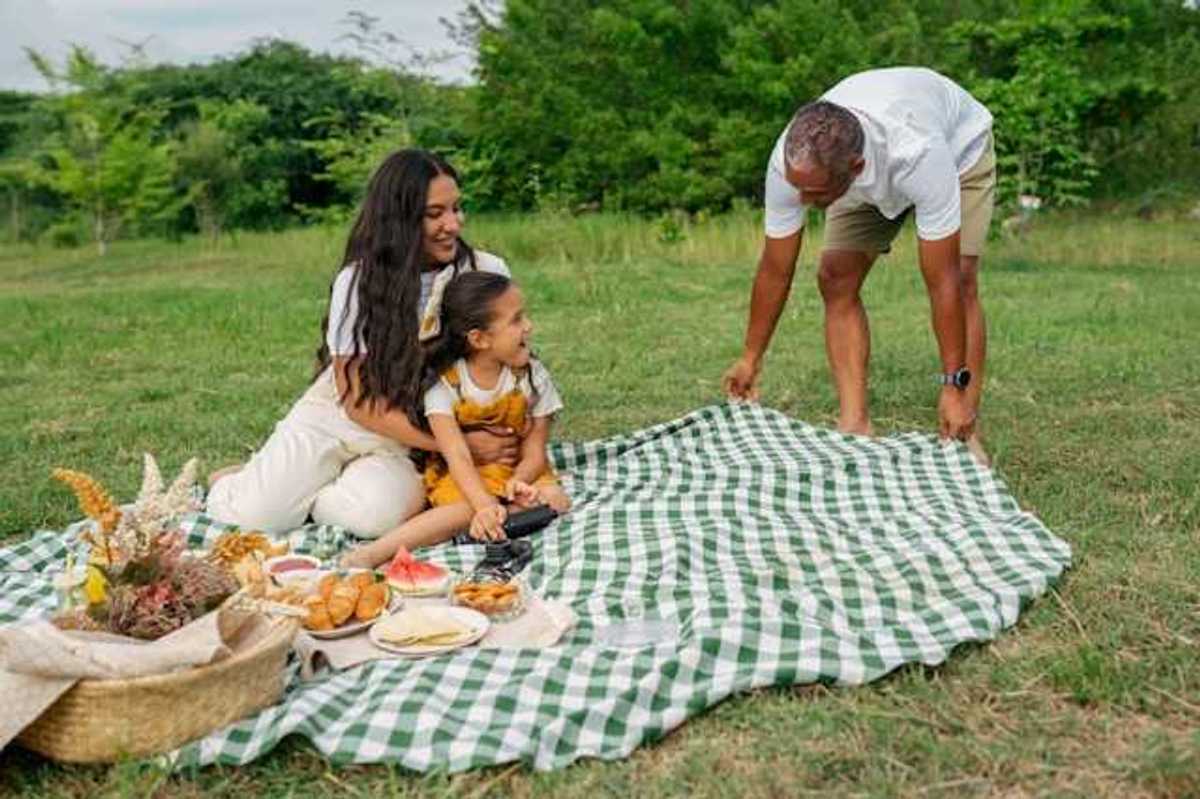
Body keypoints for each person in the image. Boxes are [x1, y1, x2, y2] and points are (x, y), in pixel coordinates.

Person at [206, 149, 521, 537]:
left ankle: (304, 485)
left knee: (369, 519)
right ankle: (239, 482)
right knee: (254, 518)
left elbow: (509, 368)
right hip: (339, 417)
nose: (453, 224)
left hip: (410, 442)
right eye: (434, 214)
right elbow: (356, 402)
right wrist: (461, 448)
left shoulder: (486, 272)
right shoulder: (357, 282)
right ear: (400, 220)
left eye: (456, 208)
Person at [722, 67, 995, 461]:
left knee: (963, 278)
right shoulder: (795, 164)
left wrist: (952, 384)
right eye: (796, 187)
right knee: (835, 278)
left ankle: (963, 425)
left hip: (958, 154)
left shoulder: (918, 153)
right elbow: (775, 268)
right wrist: (750, 357)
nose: (799, 200)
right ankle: (855, 425)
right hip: (859, 172)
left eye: (811, 193)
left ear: (856, 169)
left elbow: (944, 281)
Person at [341, 271, 571, 568]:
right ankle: (376, 553)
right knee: (463, 510)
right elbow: (457, 455)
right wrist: (484, 503)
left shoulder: (532, 375)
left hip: (517, 469)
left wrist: (519, 482)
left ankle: (494, 518)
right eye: (516, 320)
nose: (528, 326)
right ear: (479, 338)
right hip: (465, 473)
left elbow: (535, 450)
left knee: (555, 499)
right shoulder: (445, 384)